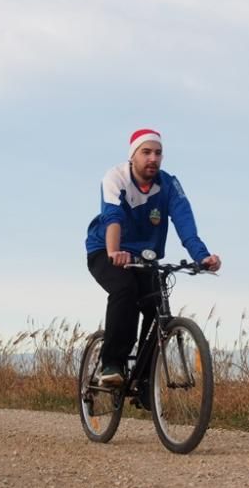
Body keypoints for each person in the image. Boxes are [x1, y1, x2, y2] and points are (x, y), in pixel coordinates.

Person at [85, 128, 221, 388]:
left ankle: (145, 380)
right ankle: (112, 363)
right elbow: (112, 218)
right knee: (125, 290)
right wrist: (114, 251)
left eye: (158, 153)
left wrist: (202, 257)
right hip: (105, 250)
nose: (153, 158)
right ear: (133, 155)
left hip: (144, 257)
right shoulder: (116, 177)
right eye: (146, 152)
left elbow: (185, 224)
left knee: (155, 306)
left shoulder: (168, 184)